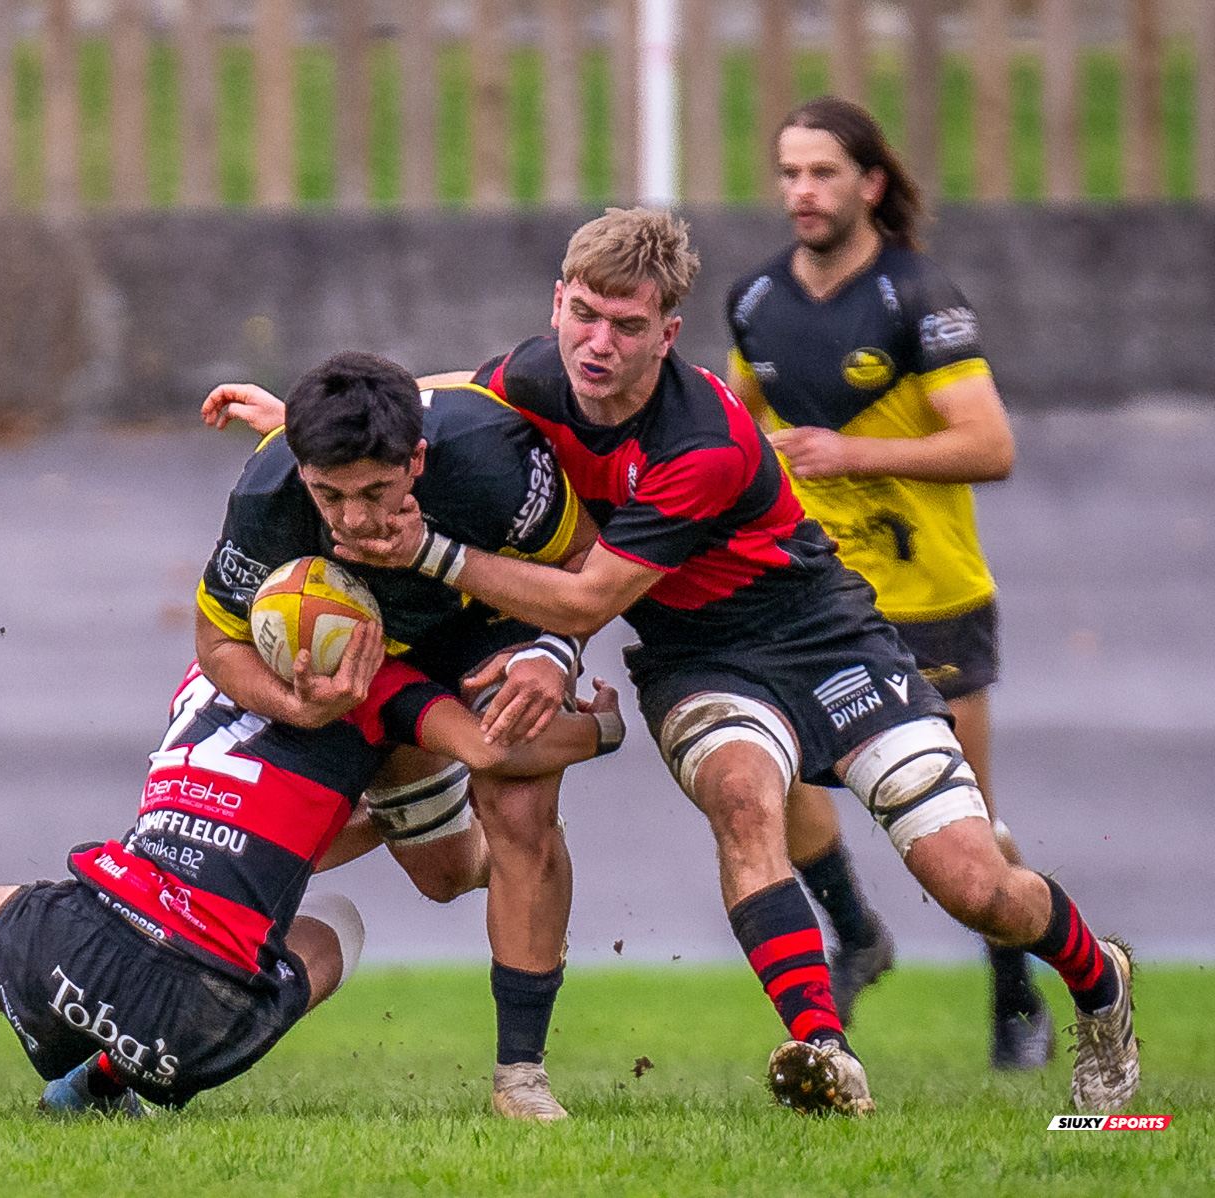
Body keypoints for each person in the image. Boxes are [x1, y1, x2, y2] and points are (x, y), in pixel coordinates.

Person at [217, 209, 1139, 1116]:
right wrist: (304, 419)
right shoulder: (546, 372)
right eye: (584, 314)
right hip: (697, 657)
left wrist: (430, 555)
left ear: (669, 332)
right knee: (744, 803)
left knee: (973, 885)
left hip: (823, 639)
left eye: (626, 326)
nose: (598, 344)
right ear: (558, 304)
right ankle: (823, 1049)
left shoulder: (702, 442)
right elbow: (436, 395)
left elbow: (586, 599)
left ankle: (1101, 983)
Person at [0, 638, 627, 1120]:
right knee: (329, 928)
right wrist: (602, 729)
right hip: (202, 1029)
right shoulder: (383, 697)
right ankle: (109, 1077)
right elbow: (476, 776)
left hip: (71, 949)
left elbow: (240, 821)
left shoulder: (202, 679)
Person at [724, 96, 1048, 1068]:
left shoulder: (920, 297)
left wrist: (850, 452)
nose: (802, 192)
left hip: (932, 601)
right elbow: (733, 437)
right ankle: (855, 927)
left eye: (822, 172)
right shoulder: (755, 302)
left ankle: (1013, 988)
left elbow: (991, 445)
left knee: (968, 835)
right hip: (810, 604)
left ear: (870, 183)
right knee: (764, 768)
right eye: (788, 173)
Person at [195, 351, 601, 1120]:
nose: (353, 518)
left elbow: (585, 562)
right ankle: (527, 821)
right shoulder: (269, 492)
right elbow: (216, 646)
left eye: (377, 491)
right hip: (376, 667)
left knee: (518, 812)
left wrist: (555, 651)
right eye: (330, 494)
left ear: (417, 459)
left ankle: (521, 1076)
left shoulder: (488, 457)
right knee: (444, 876)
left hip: (493, 622)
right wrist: (298, 706)